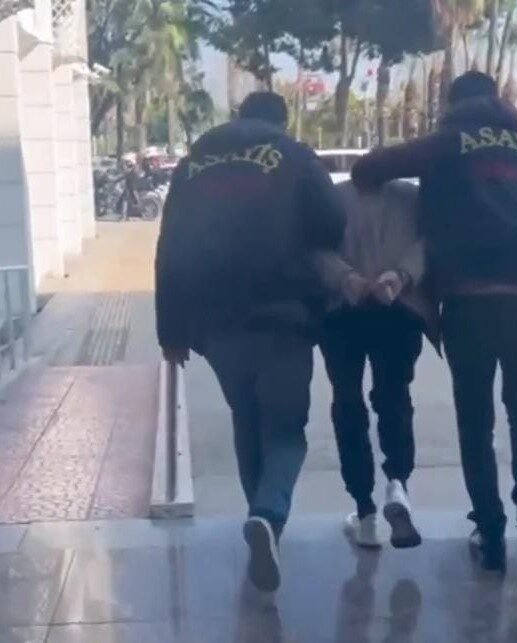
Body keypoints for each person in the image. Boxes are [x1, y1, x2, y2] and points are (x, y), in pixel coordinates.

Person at [350, 71, 517, 572]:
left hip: (473, 298)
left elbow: (369, 169)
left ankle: (489, 529)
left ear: (453, 104)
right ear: (497, 100)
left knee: (476, 419)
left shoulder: (448, 143)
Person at [155, 92, 346, 592]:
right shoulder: (294, 156)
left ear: (239, 117)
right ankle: (268, 514)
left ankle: (260, 520)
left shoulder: (193, 163)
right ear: (281, 121)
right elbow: (333, 222)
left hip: (216, 323)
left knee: (246, 417)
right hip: (283, 315)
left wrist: (170, 332)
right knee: (286, 430)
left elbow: (169, 245)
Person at [315, 179, 438, 550]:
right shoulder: (414, 197)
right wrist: (401, 275)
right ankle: (397, 484)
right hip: (399, 308)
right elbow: (430, 243)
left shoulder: (333, 197)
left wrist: (346, 278)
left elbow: (312, 249)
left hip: (342, 311)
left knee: (347, 402)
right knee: (394, 396)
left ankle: (365, 511)